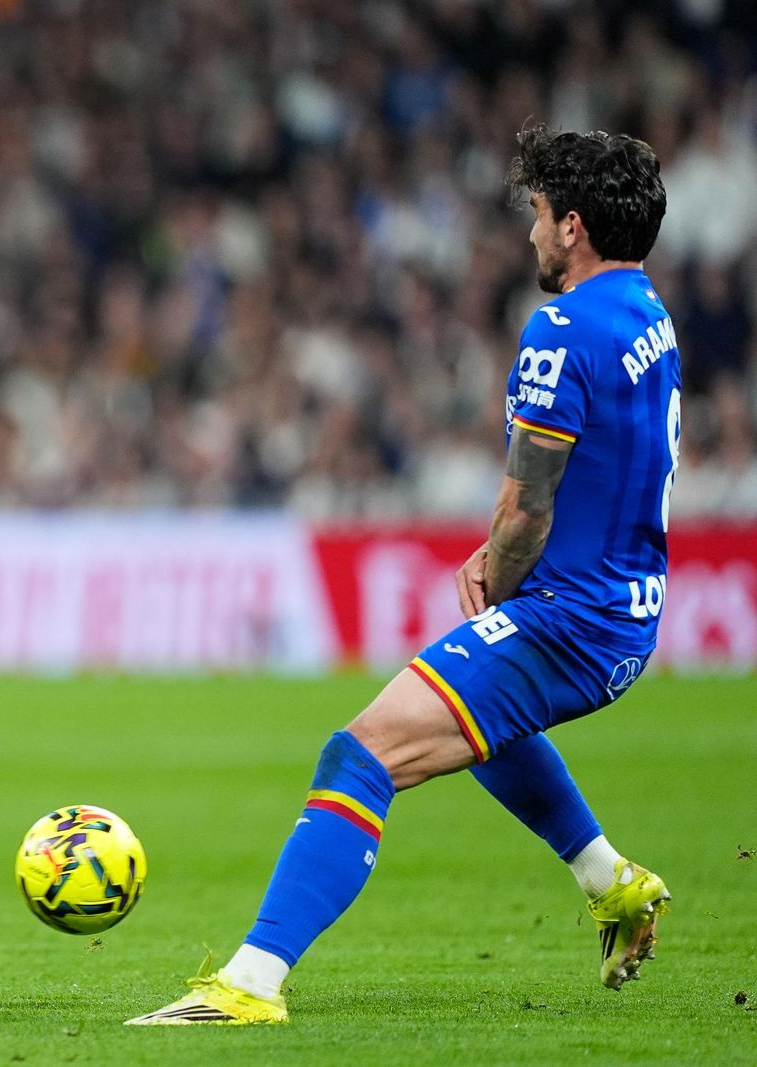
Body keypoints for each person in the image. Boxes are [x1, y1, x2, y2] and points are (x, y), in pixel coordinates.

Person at [129, 125, 679, 1026]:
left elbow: (528, 504)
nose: (533, 235)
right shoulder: (648, 316)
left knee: (362, 751)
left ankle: (249, 983)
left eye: (539, 216)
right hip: (624, 606)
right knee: (474, 714)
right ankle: (611, 880)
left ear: (573, 226)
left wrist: (503, 567)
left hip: (573, 617)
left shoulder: (562, 327)